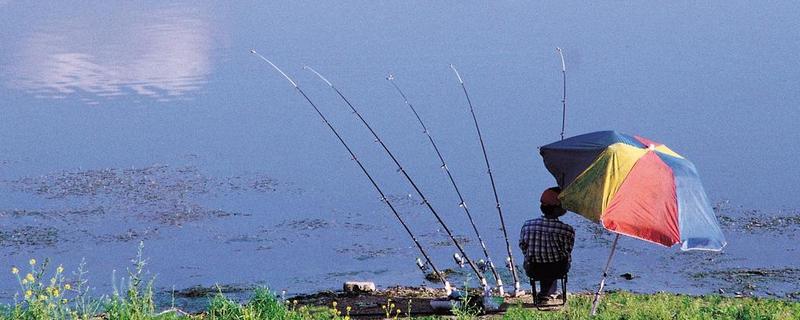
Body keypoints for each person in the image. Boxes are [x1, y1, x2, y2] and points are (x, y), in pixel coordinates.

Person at [519, 187, 575, 303]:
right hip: (558, 270)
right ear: (557, 209)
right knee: (556, 260)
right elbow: (568, 251)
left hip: (534, 269)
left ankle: (545, 293)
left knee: (544, 261)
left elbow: (523, 246)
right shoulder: (567, 230)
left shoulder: (527, 226)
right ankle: (547, 293)